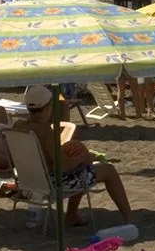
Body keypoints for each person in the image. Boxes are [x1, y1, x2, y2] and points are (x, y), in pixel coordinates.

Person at [20, 85, 132, 227]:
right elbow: (65, 165)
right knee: (108, 170)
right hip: (52, 184)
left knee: (78, 160)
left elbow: (42, 155)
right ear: (48, 107)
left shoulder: (19, 126)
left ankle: (72, 215)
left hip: (28, 181)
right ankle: (129, 219)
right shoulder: (45, 131)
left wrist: (66, 151)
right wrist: (83, 156)